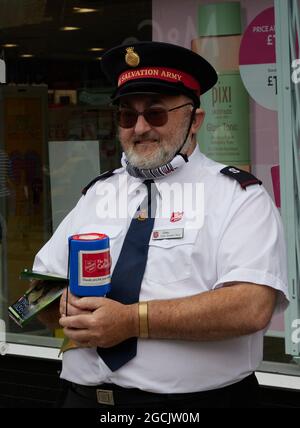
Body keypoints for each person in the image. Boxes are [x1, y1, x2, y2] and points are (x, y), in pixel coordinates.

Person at [33, 41, 288, 409]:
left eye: (156, 114)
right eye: (126, 115)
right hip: (85, 399)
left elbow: (250, 306)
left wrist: (132, 321)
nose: (140, 128)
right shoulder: (97, 194)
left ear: (194, 119)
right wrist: (62, 305)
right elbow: (37, 293)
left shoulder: (238, 196)